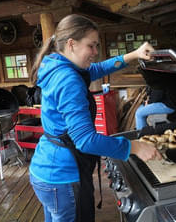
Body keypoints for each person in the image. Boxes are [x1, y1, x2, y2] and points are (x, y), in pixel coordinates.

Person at [28, 14, 162, 222]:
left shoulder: (56, 64)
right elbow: (85, 140)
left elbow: (98, 69)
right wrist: (134, 147)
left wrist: (134, 54)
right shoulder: (68, 80)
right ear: (72, 44)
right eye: (91, 46)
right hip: (63, 175)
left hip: (45, 170)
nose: (96, 52)